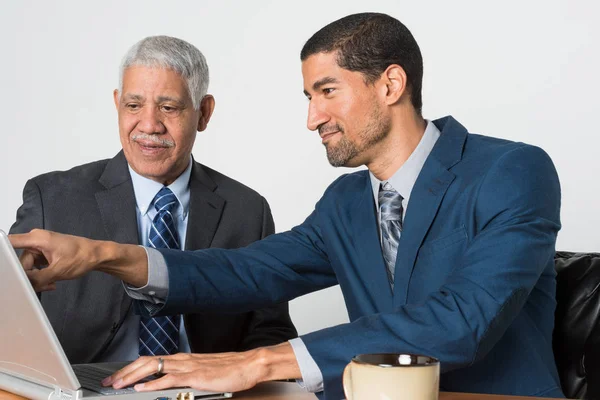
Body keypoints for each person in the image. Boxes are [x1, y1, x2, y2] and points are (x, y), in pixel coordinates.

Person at [10, 13, 564, 399]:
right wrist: (100, 253)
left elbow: (463, 319)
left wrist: (257, 362)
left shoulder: (510, 171)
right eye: (308, 97)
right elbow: (250, 270)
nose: (312, 118)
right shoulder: (346, 202)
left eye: (327, 91)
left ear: (390, 84)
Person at [9, 35, 297, 364]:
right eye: (133, 106)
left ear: (203, 112)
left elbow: (271, 331)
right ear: (117, 103)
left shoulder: (248, 210)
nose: (148, 125)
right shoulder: (53, 198)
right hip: (83, 389)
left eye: (168, 107)